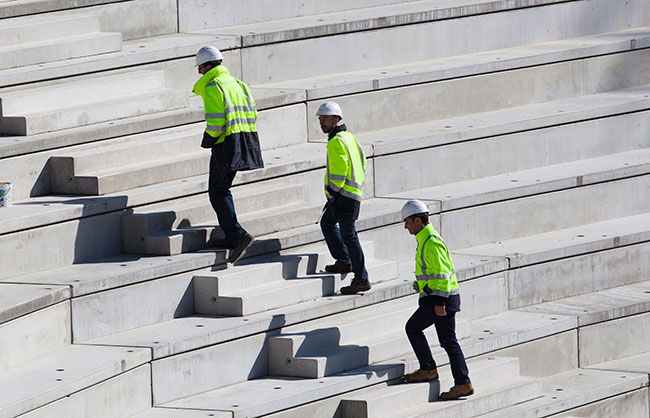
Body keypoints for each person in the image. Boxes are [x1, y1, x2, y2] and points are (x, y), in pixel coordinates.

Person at [192, 45, 263, 263]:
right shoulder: (237, 83)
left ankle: (237, 235)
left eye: (200, 68)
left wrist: (209, 139)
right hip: (243, 139)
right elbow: (254, 113)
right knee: (223, 190)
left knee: (217, 191)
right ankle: (233, 236)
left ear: (208, 65)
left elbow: (215, 122)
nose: (199, 72)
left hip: (225, 144)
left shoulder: (213, 86)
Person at [400, 200, 473, 400]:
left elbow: (443, 274)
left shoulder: (431, 241)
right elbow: (433, 274)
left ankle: (428, 369)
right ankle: (463, 383)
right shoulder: (426, 240)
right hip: (442, 298)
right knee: (449, 341)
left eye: (407, 222)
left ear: (417, 220)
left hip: (440, 301)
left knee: (412, 328)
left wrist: (440, 303)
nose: (405, 226)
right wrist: (421, 285)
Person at [316, 102, 370, 295]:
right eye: (320, 119)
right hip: (350, 195)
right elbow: (363, 162)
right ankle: (344, 261)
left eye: (325, 119)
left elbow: (340, 172)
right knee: (327, 224)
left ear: (336, 119)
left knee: (349, 236)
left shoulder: (337, 141)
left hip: (343, 197)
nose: (321, 122)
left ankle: (361, 277)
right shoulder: (349, 138)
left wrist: (333, 192)